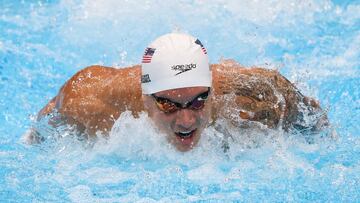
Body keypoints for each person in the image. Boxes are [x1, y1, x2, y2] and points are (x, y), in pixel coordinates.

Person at [24, 33, 328, 152]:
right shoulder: (92, 102)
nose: (186, 120)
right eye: (168, 105)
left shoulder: (240, 93)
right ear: (145, 97)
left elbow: (310, 115)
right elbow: (42, 130)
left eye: (198, 102)